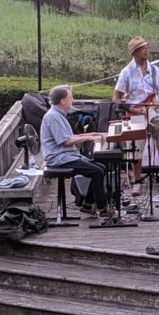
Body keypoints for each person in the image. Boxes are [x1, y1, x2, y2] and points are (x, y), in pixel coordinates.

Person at [113, 36, 159, 197]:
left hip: (156, 112)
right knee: (134, 150)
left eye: (146, 48)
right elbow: (116, 98)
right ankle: (137, 181)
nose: (146, 51)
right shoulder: (126, 72)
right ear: (135, 52)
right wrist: (134, 110)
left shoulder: (155, 70)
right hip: (136, 113)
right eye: (143, 48)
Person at [40, 85, 110, 217]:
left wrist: (92, 134)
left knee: (101, 167)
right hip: (58, 158)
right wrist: (88, 137)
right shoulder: (53, 117)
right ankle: (103, 209)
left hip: (66, 155)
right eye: (71, 97)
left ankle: (88, 205)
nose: (73, 100)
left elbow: (69, 137)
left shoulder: (58, 114)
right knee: (97, 171)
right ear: (62, 101)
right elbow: (65, 141)